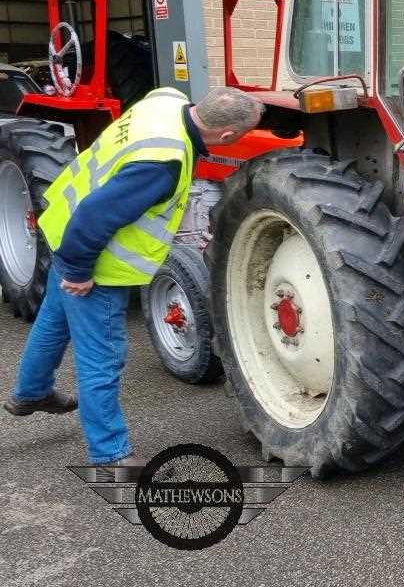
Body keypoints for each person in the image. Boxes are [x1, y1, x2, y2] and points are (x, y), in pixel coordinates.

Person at [3, 86, 263, 467]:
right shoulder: (164, 162)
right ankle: (110, 455)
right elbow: (95, 215)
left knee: (53, 322)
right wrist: (79, 271)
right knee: (102, 359)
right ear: (227, 137)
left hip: (61, 220)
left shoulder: (166, 101)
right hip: (96, 261)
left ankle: (31, 393)